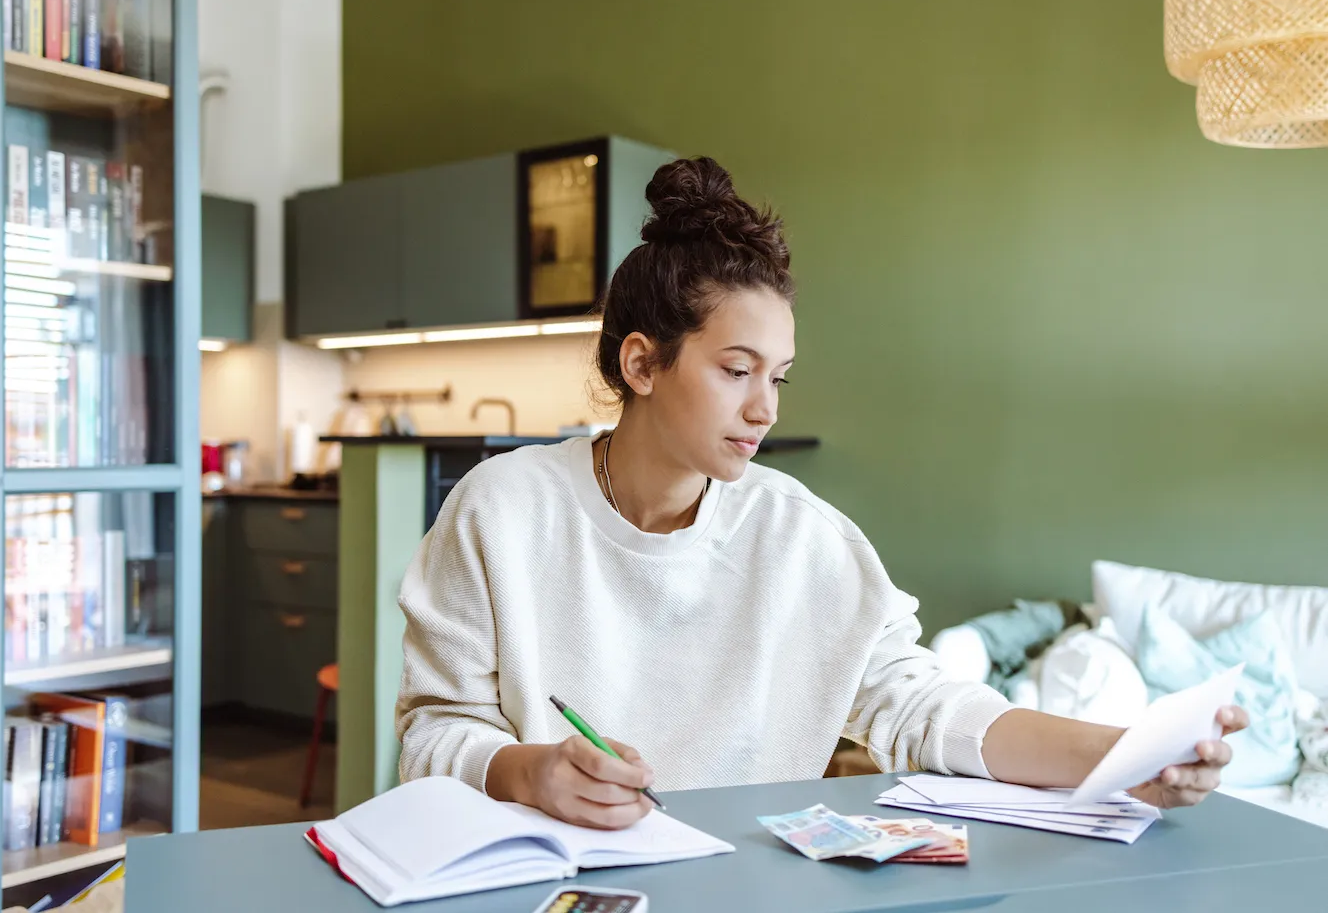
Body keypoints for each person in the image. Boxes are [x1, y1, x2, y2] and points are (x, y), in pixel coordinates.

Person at [394, 156, 1249, 830]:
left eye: (779, 378)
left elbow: (923, 708)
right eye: (736, 371)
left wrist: (1123, 757)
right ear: (641, 362)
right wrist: (527, 772)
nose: (764, 408)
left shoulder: (802, 537)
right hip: (548, 879)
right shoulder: (499, 510)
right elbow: (434, 730)